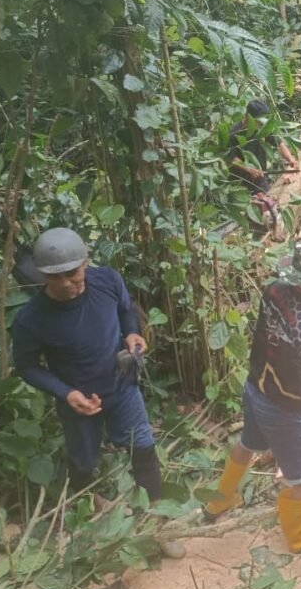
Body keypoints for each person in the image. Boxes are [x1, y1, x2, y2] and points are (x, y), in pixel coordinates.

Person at [12, 228, 185, 559]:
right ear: (42, 275)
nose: (66, 283)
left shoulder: (107, 281)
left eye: (72, 273)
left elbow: (125, 309)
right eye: (55, 276)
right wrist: (66, 393)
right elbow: (27, 366)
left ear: (85, 263)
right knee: (83, 460)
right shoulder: (31, 319)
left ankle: (158, 524)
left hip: (121, 386)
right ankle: (90, 503)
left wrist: (132, 333)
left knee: (144, 448)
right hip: (78, 403)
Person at [203, 236, 301, 553]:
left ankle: (219, 501)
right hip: (286, 408)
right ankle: (300, 537)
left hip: (256, 389)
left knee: (247, 444)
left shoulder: (273, 290)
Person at [228, 99, 300, 194]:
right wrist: (249, 169)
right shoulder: (234, 133)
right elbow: (232, 159)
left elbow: (279, 144)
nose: (262, 124)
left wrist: (290, 159)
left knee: (270, 200)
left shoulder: (263, 129)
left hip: (260, 178)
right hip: (239, 182)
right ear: (249, 117)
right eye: (259, 121)